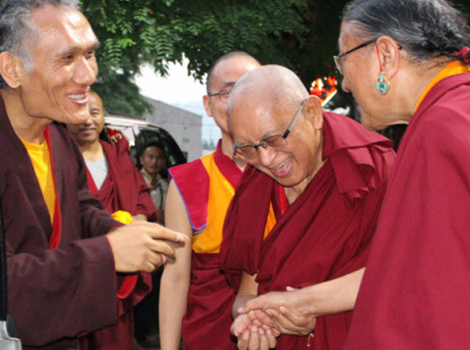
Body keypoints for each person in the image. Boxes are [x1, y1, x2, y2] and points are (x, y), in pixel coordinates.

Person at [0, 0, 186, 348]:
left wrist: (125, 233)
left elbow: (81, 209)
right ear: (12, 69)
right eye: (67, 58)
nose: (88, 75)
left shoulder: (56, 135)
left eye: (90, 54)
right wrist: (110, 252)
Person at [331, 0, 470, 348]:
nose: (345, 84)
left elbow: (445, 313)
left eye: (343, 59)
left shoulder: (442, 131)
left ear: (385, 55)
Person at [220, 64, 396, 349]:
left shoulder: (373, 170)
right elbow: (248, 291)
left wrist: (311, 308)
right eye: (249, 149)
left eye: (273, 139)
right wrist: (251, 318)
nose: (265, 160)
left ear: (312, 113)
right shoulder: (257, 188)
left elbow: (400, 273)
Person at [158, 51, 261, 350]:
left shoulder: (286, 174)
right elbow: (176, 277)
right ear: (207, 104)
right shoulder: (188, 182)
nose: (240, 100)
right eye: (228, 92)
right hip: (209, 335)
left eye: (251, 89)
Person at [68, 90, 157, 349]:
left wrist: (134, 231)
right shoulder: (60, 157)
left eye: (94, 112)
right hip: (79, 262)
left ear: (104, 117)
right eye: (80, 113)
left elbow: (140, 201)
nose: (88, 120)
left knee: (116, 335)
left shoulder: (118, 157)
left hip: (120, 268)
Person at [138, 142, 169, 225]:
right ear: (141, 160)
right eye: (150, 157)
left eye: (159, 158)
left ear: (163, 162)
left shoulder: (165, 186)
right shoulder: (132, 182)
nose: (154, 162)